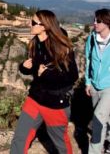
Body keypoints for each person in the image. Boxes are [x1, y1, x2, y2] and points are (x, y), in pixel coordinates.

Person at [11, 10, 78, 154]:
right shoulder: (35, 43)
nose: (30, 24)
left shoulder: (61, 46)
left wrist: (47, 74)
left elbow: (72, 76)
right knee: (20, 137)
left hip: (55, 103)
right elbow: (34, 70)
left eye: (34, 23)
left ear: (44, 26)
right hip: (35, 98)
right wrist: (24, 67)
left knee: (61, 144)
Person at [85, 8, 110, 154]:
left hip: (109, 87)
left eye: (98, 21)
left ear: (107, 22)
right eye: (94, 20)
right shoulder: (92, 38)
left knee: (98, 119)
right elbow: (88, 61)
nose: (95, 23)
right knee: (105, 118)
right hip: (94, 85)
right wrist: (88, 82)